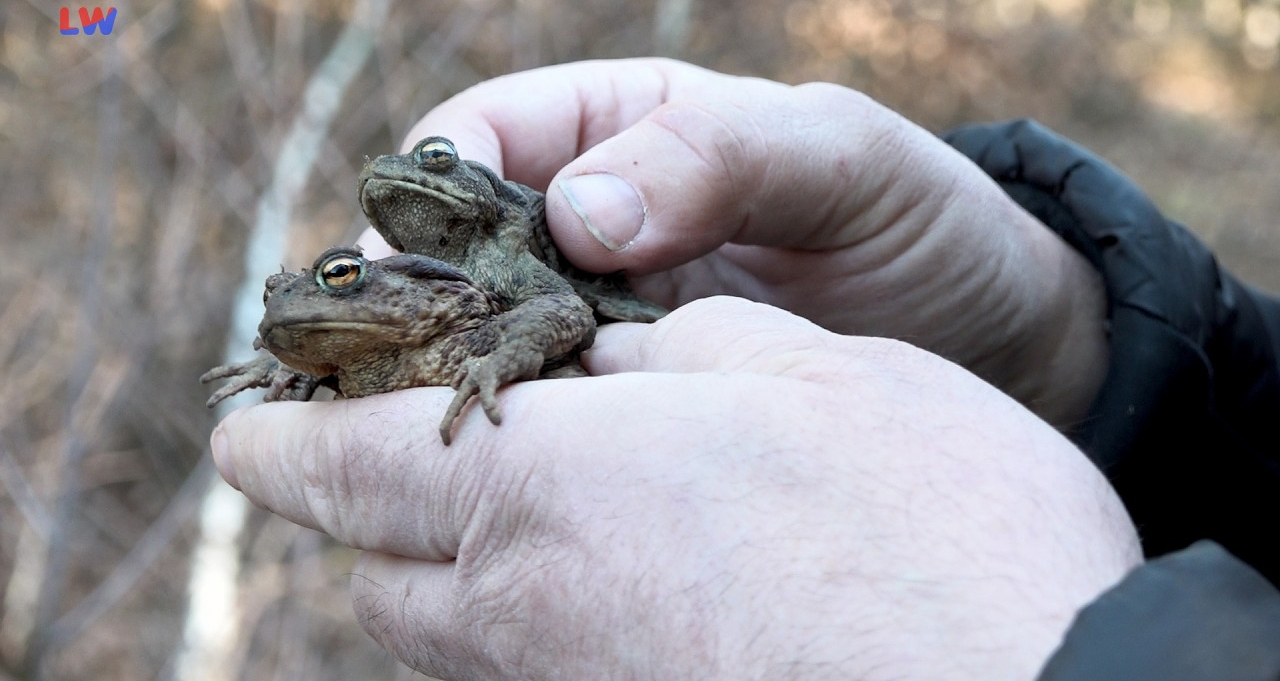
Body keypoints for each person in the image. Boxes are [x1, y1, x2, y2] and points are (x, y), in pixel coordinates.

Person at [211, 59, 1280, 680]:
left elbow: (542, 309)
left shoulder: (507, 253)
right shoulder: (429, 290)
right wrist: (1063, 342)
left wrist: (982, 651)